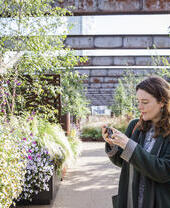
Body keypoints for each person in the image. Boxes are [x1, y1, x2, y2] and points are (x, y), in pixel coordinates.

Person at [102, 76, 170, 208]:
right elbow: (123, 162)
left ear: (162, 102)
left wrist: (129, 146)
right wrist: (113, 144)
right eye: (138, 101)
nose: (139, 107)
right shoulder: (135, 126)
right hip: (131, 201)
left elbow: (164, 172)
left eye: (144, 102)